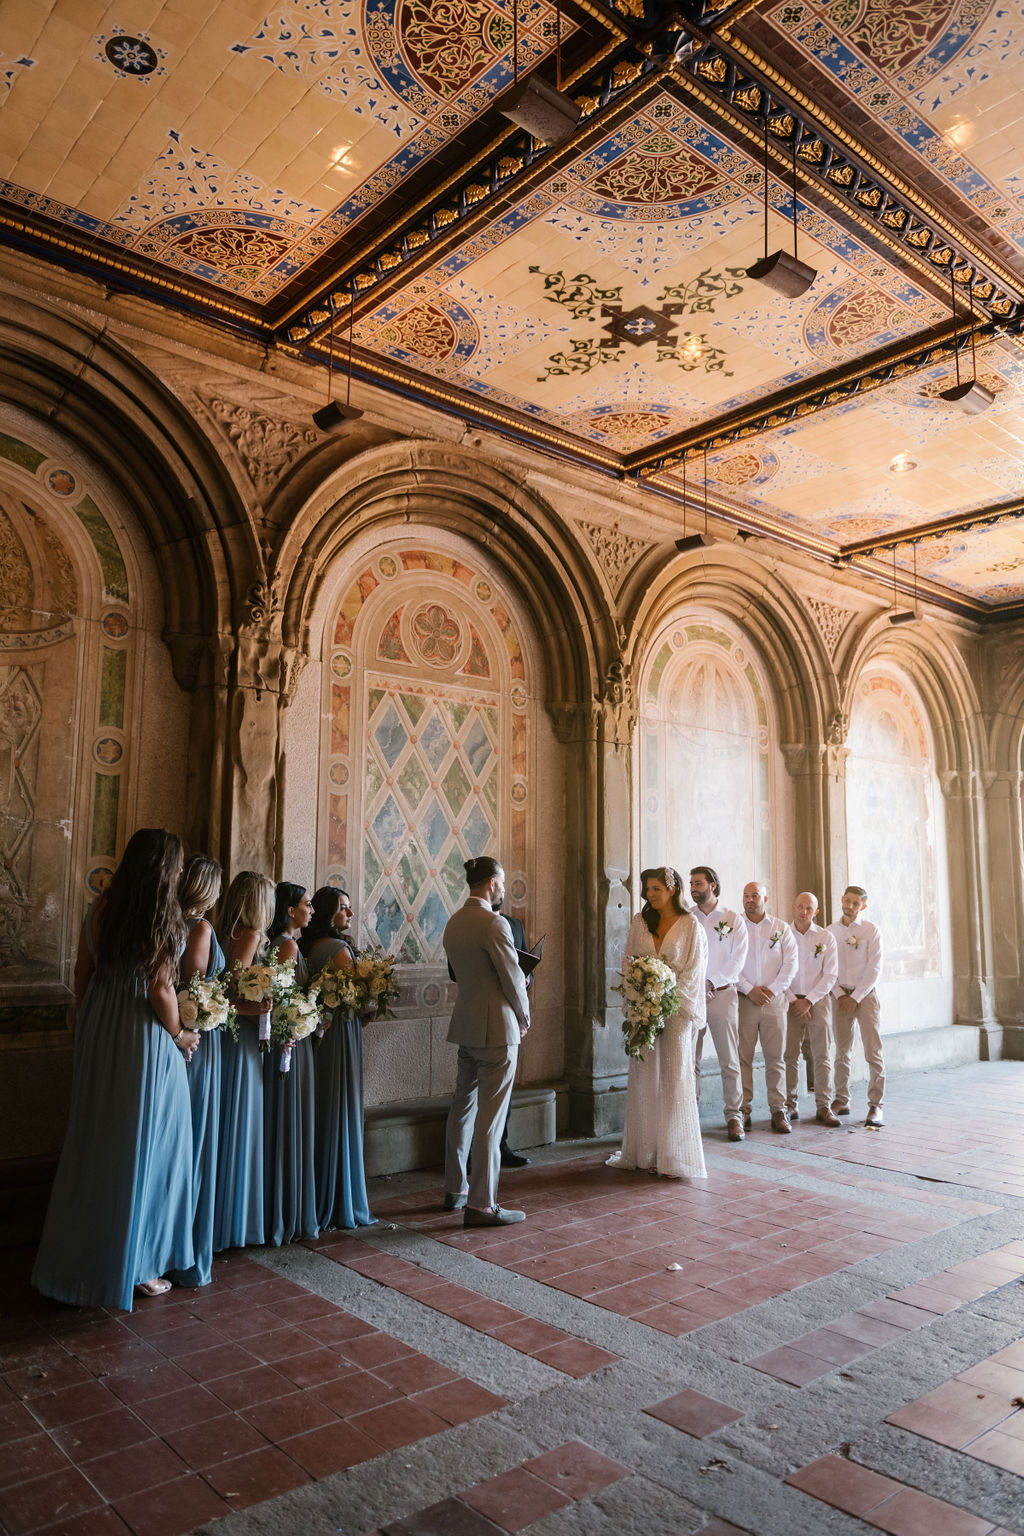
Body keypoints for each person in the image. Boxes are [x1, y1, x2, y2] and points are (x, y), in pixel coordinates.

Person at [32, 829, 197, 1310]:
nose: (184, 872)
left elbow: (82, 974)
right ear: (165, 869)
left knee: (96, 1142)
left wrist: (89, 1026)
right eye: (180, 864)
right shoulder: (163, 916)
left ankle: (87, 1256)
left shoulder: (102, 907)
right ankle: (140, 1264)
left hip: (100, 1024)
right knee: (150, 1147)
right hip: (143, 1035)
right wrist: (179, 1034)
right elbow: (160, 990)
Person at [443, 857, 530, 1227]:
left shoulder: (454, 922)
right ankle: (482, 1204)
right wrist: (525, 1016)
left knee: (462, 1107)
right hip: (498, 1028)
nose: (505, 888)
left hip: (467, 1025)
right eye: (503, 882)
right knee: (490, 1120)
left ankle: (455, 1187)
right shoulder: (493, 922)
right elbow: (512, 976)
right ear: (492, 883)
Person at [611, 866, 707, 1180]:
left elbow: (694, 972)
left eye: (656, 889)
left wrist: (665, 997)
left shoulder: (691, 925)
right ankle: (644, 1151)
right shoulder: (640, 922)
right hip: (644, 1010)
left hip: (677, 1012)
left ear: (672, 889)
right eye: (647, 889)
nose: (650, 895)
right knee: (643, 1075)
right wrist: (643, 999)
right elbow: (629, 962)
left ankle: (674, 1153)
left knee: (674, 1075)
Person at [303, 886, 376, 1231]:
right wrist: (372, 1003)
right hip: (342, 1033)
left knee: (324, 1106)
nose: (348, 914)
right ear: (326, 912)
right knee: (341, 1105)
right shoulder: (337, 949)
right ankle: (339, 1197)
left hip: (320, 1035)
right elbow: (359, 998)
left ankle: (319, 1192)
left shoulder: (309, 946)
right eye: (342, 908)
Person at [171, 854, 225, 1288]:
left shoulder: (168, 923)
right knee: (193, 1141)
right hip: (195, 1042)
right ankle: (185, 1249)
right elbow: (194, 989)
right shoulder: (200, 928)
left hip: (183, 1036)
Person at [214, 871, 274, 1252]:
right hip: (240, 1040)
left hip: (224, 1038)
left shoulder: (223, 933)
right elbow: (232, 996)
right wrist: (268, 1008)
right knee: (241, 1121)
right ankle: (233, 1223)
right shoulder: (250, 936)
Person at [264, 882, 319, 1244]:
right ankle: (285, 1210)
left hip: (292, 1041)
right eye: (306, 904)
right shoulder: (287, 946)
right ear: (290, 911)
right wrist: (301, 1020)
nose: (311, 911)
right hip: (290, 1045)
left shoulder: (285, 944)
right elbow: (280, 997)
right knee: (290, 1120)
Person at [689, 866, 748, 1142]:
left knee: (729, 1058)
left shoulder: (732, 918)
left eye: (698, 883)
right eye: (691, 883)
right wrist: (696, 985)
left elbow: (738, 960)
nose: (693, 888)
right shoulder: (687, 918)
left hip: (722, 994)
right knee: (691, 1058)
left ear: (713, 885)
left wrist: (711, 982)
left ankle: (734, 1115)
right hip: (692, 995)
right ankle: (689, 1113)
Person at [737, 881, 798, 1133]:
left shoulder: (780, 928)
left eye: (755, 895)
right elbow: (730, 962)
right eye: (746, 895)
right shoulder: (734, 926)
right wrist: (749, 989)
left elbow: (790, 964)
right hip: (745, 1000)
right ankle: (742, 1110)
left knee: (776, 1058)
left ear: (765, 898)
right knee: (743, 1058)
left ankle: (778, 1109)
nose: (750, 899)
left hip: (774, 1001)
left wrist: (771, 990)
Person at [827, 884, 885, 1127]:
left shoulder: (871, 930)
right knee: (841, 1050)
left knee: (873, 1051)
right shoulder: (830, 931)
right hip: (840, 997)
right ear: (841, 899)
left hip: (866, 997)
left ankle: (876, 1105)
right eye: (846, 901)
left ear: (863, 906)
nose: (849, 906)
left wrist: (856, 997)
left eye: (855, 903)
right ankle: (841, 1099)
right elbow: (828, 968)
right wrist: (841, 994)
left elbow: (875, 968)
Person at [784, 892, 840, 1127]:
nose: (803, 911)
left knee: (822, 1055)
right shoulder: (783, 934)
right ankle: (789, 1105)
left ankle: (824, 1106)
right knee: (789, 1056)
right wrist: (793, 999)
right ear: (794, 907)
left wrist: (809, 1000)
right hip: (789, 1002)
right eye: (800, 906)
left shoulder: (826, 937)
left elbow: (831, 974)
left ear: (815, 911)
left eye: (808, 908)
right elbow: (778, 969)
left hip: (818, 1001)